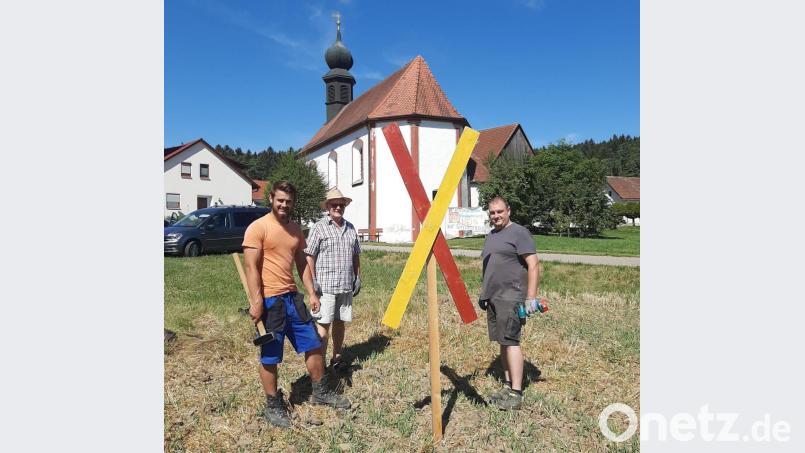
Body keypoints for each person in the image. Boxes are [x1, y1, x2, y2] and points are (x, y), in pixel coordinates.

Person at [243, 180, 351, 429]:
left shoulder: (295, 229)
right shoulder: (257, 228)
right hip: (270, 301)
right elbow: (251, 268)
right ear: (271, 198)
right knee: (270, 355)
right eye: (280, 200)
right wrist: (257, 301)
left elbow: (302, 263)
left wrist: (311, 292)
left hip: (292, 297)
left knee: (313, 344)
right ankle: (273, 405)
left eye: (288, 201)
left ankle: (320, 391)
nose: (283, 204)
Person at [478, 196, 540, 410]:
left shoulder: (519, 233)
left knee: (512, 341)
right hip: (493, 297)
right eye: (492, 213)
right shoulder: (492, 236)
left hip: (511, 296)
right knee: (503, 342)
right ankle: (507, 385)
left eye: (500, 212)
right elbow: (491, 267)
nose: (496, 216)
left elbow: (533, 265)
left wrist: (531, 297)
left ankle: (516, 392)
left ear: (509, 211)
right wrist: (484, 293)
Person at [304, 188, 361, 373]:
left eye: (341, 204)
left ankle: (337, 358)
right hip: (325, 287)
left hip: (345, 285)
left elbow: (356, 255)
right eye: (334, 204)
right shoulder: (319, 227)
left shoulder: (351, 228)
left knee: (340, 322)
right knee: (323, 325)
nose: (338, 207)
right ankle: (319, 369)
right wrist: (314, 280)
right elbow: (309, 256)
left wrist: (357, 277)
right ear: (327, 207)